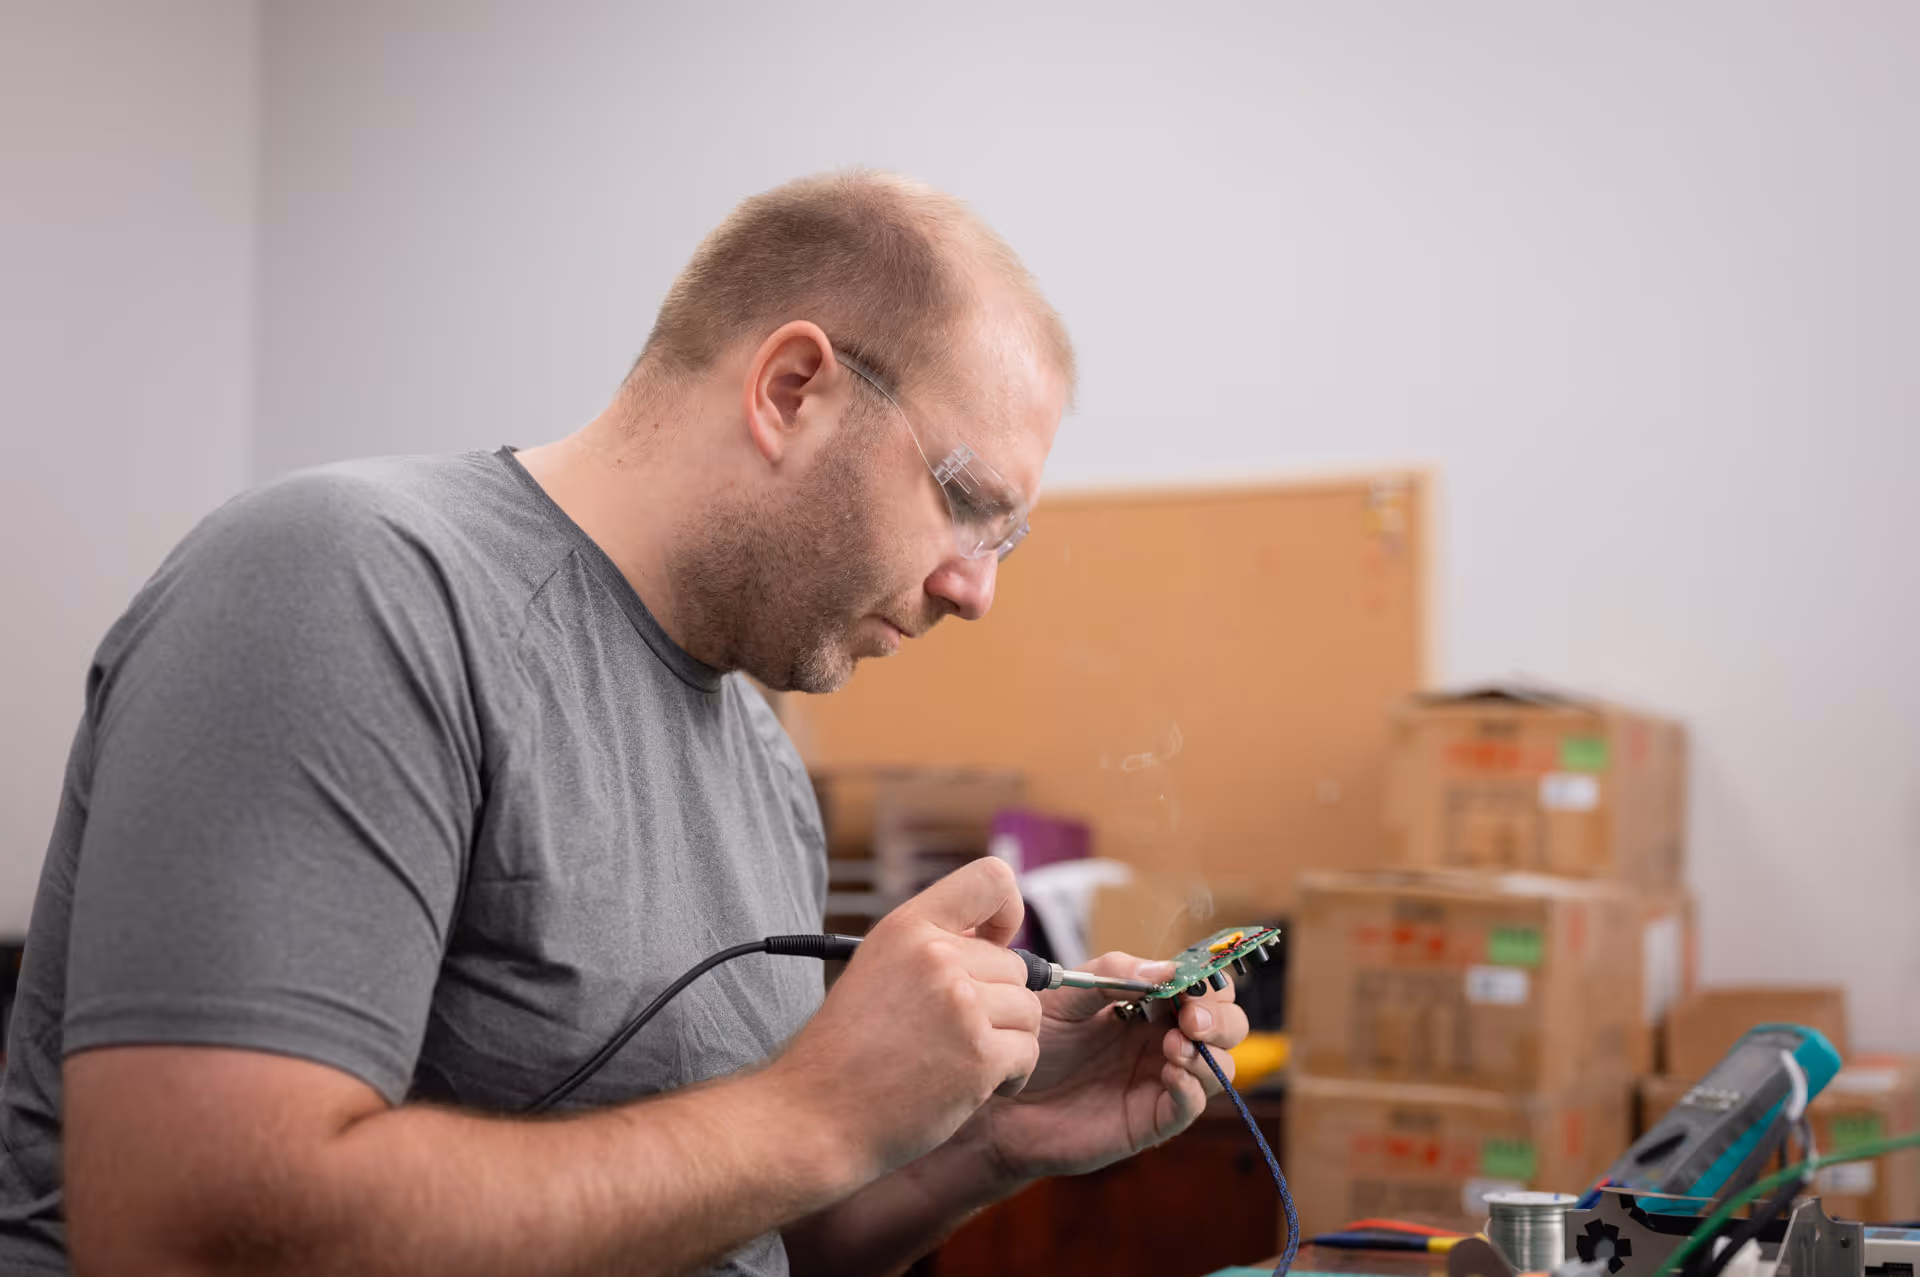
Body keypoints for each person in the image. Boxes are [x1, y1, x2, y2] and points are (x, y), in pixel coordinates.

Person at [0, 171, 1248, 1276]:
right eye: (967, 505)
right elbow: (185, 1232)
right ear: (793, 387)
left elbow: (746, 1226)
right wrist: (816, 1111)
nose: (976, 589)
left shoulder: (757, 762)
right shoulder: (347, 585)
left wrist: (977, 1141)